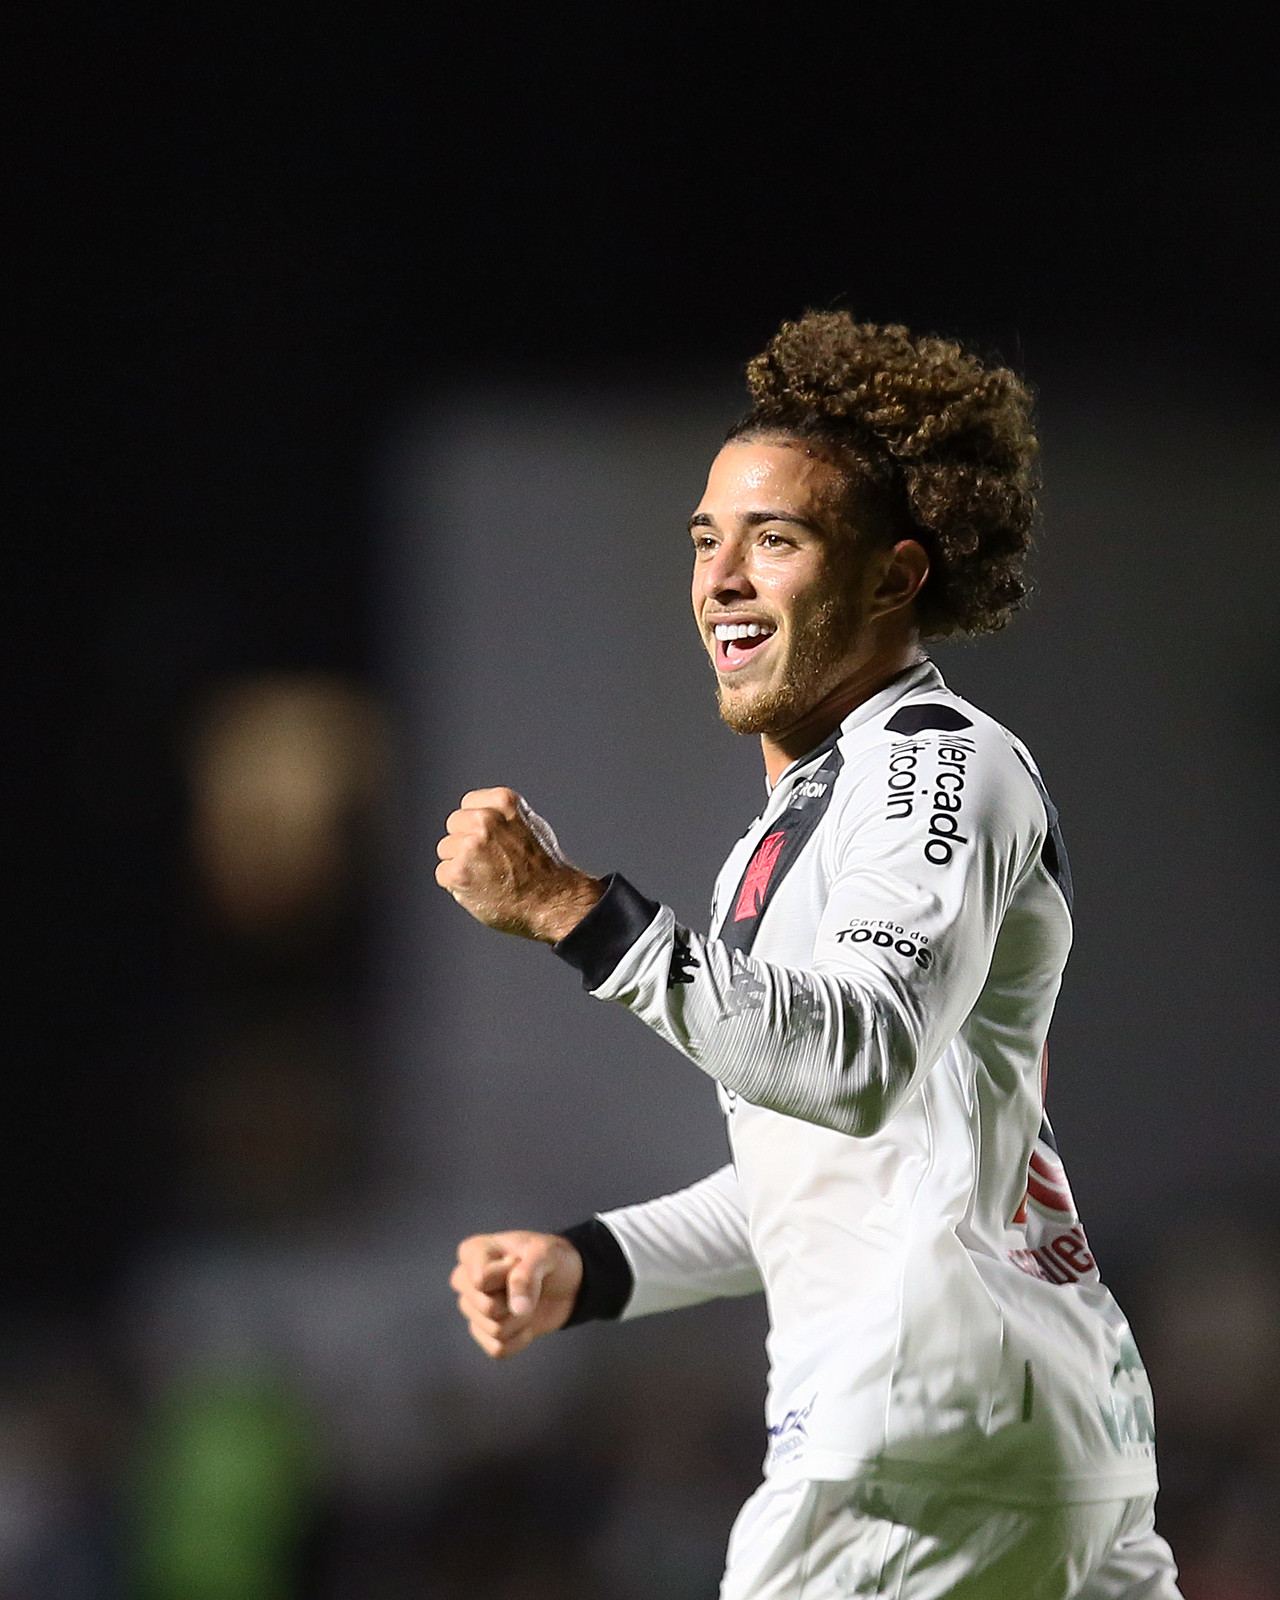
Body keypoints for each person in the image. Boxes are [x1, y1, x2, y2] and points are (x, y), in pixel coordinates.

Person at [438, 313, 1181, 1598]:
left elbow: (853, 1060)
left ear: (893, 578)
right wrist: (596, 1265)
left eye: (772, 539)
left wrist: (569, 909)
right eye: (705, 538)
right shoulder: (813, 810)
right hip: (1033, 1432)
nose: (721, 576)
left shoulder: (929, 762)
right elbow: (840, 1172)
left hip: (912, 1439)